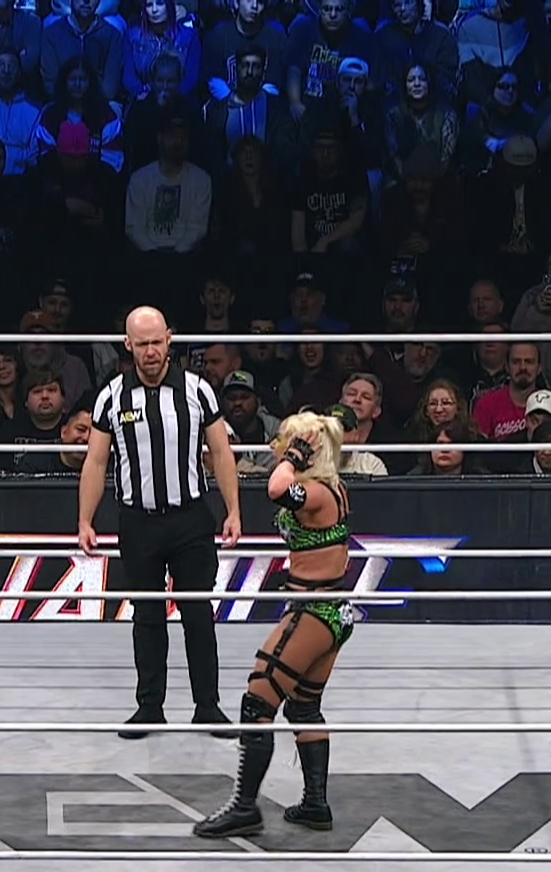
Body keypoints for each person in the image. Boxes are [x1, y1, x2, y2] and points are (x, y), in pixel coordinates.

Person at [78, 306, 243, 738]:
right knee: (146, 616)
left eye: (156, 342)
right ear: (127, 345)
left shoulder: (198, 391)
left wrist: (234, 511)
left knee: (197, 613)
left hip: (191, 519)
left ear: (169, 339)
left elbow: (221, 452)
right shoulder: (111, 396)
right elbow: (96, 461)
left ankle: (207, 706)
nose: (150, 351)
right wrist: (85, 520)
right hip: (138, 521)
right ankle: (149, 707)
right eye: (142, 344)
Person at [195, 408, 351, 838]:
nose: (277, 448)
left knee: (258, 700)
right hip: (329, 611)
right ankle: (316, 804)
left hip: (314, 612)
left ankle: (244, 808)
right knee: (303, 706)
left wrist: (295, 454)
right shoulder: (332, 489)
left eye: (286, 441)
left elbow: (276, 488)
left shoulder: (316, 493)